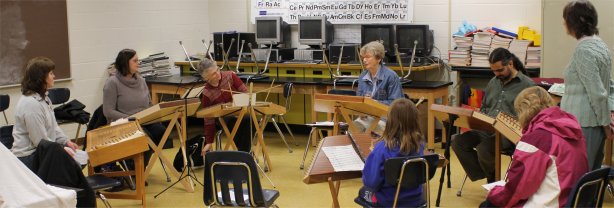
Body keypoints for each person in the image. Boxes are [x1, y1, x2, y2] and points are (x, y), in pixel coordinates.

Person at [482, 86, 588, 207]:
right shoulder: (573, 130)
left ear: (522, 111)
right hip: (569, 201)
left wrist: (494, 194)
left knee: (488, 204)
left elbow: (519, 188)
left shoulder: (537, 139)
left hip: (549, 203)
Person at [451, 47, 534, 183]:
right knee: (457, 142)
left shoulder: (527, 85)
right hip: (486, 128)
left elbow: (530, 118)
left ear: (511, 64)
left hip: (508, 133)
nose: (496, 74)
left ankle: (492, 180)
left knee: (484, 149)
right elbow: (484, 107)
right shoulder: (493, 82)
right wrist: (476, 118)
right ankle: (488, 174)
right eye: (493, 70)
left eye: (500, 70)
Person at [560, 0, 613, 170]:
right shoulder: (600, 46)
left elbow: (598, 93)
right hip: (590, 123)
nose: (564, 23)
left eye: (566, 19)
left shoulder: (584, 50)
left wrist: (606, 126)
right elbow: (608, 85)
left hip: (583, 124)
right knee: (590, 174)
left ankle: (584, 199)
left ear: (574, 22)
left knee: (580, 175)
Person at [11, 56, 79, 170]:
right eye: (51, 73)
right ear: (41, 78)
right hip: (28, 158)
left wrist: (66, 141)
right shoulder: (31, 104)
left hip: (41, 152)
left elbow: (54, 127)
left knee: (76, 161)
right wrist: (62, 150)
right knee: (72, 166)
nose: (54, 76)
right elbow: (40, 141)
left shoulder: (44, 98)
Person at [103, 49, 167, 165]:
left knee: (161, 131)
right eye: (135, 61)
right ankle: (134, 168)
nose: (138, 63)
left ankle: (140, 166)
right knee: (143, 137)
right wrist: (130, 118)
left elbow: (149, 104)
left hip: (143, 121)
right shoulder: (112, 83)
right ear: (125, 63)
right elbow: (108, 111)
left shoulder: (142, 81)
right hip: (123, 123)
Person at [359, 98, 426, 207]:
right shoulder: (420, 145)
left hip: (389, 202)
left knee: (363, 192)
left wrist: (371, 157)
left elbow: (371, 183)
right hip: (416, 200)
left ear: (390, 121)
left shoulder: (382, 148)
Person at [198, 59, 251, 155]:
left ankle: (243, 154)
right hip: (222, 118)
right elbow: (208, 118)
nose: (218, 74)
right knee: (235, 122)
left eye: (217, 69)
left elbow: (245, 93)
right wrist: (209, 142)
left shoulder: (230, 76)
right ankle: (244, 154)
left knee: (248, 119)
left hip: (240, 111)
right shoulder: (207, 93)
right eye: (213, 74)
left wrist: (239, 101)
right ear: (206, 78)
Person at [354, 41, 404, 133]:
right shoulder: (362, 76)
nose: (364, 60)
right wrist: (361, 109)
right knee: (354, 128)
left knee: (375, 129)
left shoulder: (391, 76)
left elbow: (396, 104)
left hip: (386, 119)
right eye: (363, 57)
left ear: (378, 59)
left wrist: (374, 102)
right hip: (367, 118)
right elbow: (359, 101)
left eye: (368, 57)